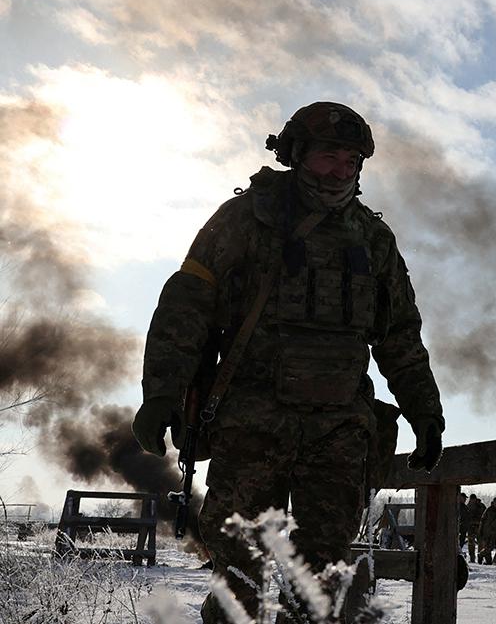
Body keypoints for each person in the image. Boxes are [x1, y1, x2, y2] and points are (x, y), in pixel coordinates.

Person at [131, 102, 446, 623]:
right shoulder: (245, 219)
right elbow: (185, 309)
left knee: (323, 576)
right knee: (240, 571)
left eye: (350, 161)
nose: (340, 171)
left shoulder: (373, 239)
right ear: (297, 154)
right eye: (328, 157)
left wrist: (425, 412)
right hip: (253, 426)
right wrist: (161, 394)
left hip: (338, 433)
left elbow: (399, 336)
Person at [465, 493, 486, 563]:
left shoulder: (480, 506)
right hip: (471, 527)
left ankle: (480, 558)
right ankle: (473, 558)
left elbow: (485, 516)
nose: (472, 501)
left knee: (480, 543)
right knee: (471, 543)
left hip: (479, 527)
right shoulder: (468, 506)